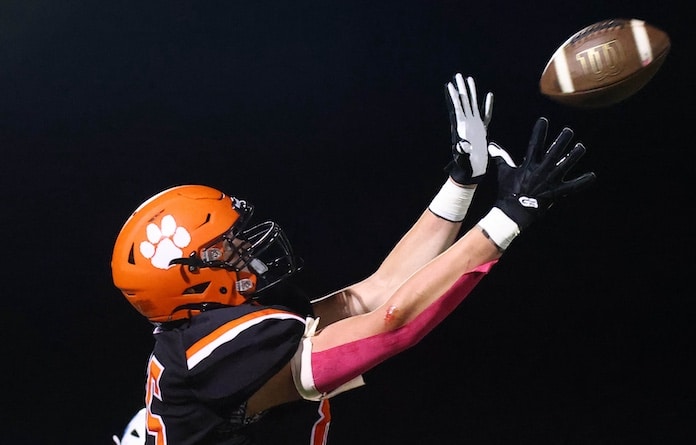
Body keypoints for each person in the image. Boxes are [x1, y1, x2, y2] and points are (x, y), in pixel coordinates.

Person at [110, 73, 596, 445]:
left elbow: (370, 295)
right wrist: (510, 217)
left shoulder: (210, 328)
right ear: (187, 280)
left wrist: (462, 182)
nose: (243, 247)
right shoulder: (215, 353)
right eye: (223, 247)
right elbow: (391, 324)